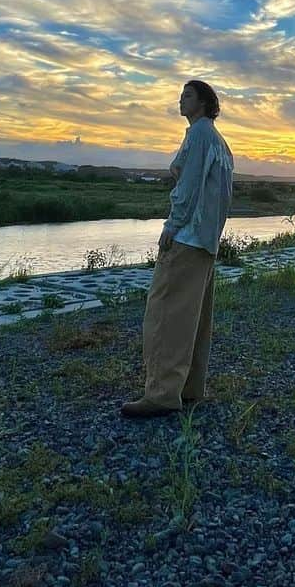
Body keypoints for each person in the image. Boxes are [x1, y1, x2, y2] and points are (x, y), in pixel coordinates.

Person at [120, 80, 234, 419]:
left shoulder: (199, 135)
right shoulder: (218, 140)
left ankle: (161, 394)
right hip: (206, 240)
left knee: (165, 314)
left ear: (203, 103)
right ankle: (188, 388)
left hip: (187, 238)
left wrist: (172, 226)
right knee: (193, 317)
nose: (180, 100)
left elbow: (189, 186)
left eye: (187, 95)